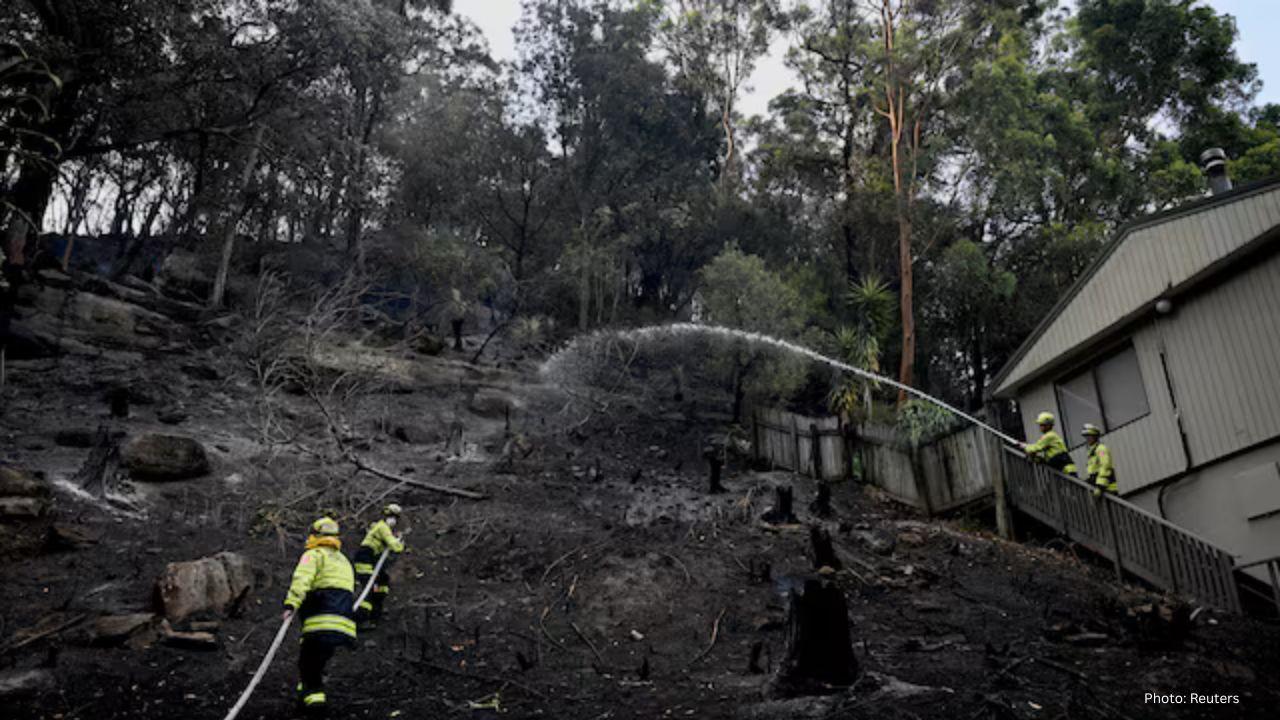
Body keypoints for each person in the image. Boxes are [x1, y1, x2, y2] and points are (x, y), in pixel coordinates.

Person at [283, 516, 357, 717]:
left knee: (308, 664)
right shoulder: (343, 560)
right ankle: (304, 701)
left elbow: (302, 580)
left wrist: (291, 603)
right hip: (342, 627)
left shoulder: (313, 555)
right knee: (314, 664)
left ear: (314, 535)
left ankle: (315, 708)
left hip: (319, 622)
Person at [353, 503, 406, 628]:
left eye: (395, 517)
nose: (393, 519)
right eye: (391, 516)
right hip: (365, 557)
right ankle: (361, 617)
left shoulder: (384, 529)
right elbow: (395, 546)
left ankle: (376, 611)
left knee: (382, 581)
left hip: (372, 559)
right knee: (369, 585)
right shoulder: (382, 527)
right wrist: (400, 543)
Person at [1021, 411, 1077, 477]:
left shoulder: (1049, 436)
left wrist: (1024, 446)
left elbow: (1037, 447)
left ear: (1048, 425)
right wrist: (1036, 458)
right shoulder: (1050, 437)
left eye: (1042, 425)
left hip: (1067, 469)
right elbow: (1049, 458)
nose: (1040, 427)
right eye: (1040, 425)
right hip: (1064, 469)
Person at [1083, 423, 1117, 497]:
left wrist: (1100, 486)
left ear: (1095, 436)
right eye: (1086, 436)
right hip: (1101, 489)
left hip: (1108, 489)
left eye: (1089, 436)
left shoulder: (1101, 449)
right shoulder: (1092, 452)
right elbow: (1094, 470)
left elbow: (1105, 466)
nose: (1087, 439)